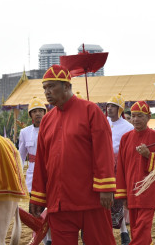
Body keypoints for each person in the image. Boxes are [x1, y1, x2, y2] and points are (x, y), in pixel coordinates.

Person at [29, 65, 116, 245]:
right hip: (59, 202)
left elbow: (104, 152)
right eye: (45, 88)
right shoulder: (47, 120)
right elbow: (41, 162)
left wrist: (106, 188)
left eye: (51, 86)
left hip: (91, 199)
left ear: (67, 86)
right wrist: (38, 196)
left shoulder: (91, 111)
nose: (47, 92)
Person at [115, 101, 155, 245]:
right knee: (136, 230)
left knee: (142, 227)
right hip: (131, 192)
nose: (135, 119)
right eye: (133, 116)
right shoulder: (125, 138)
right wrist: (122, 194)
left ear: (148, 117)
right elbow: (121, 168)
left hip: (149, 191)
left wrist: (149, 155)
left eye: (140, 116)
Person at [18, 97, 52, 245]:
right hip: (33, 179)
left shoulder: (53, 128)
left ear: (45, 113)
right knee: (36, 212)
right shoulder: (24, 132)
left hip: (51, 175)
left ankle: (50, 239)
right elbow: (21, 155)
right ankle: (44, 241)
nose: (38, 114)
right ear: (30, 115)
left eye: (40, 111)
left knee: (51, 211)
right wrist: (17, 174)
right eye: (34, 111)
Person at [106, 93, 134, 245]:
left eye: (113, 106)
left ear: (120, 109)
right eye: (108, 106)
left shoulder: (128, 127)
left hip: (120, 166)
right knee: (105, 200)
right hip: (103, 165)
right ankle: (109, 232)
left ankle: (123, 230)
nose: (109, 109)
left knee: (119, 199)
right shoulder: (102, 122)